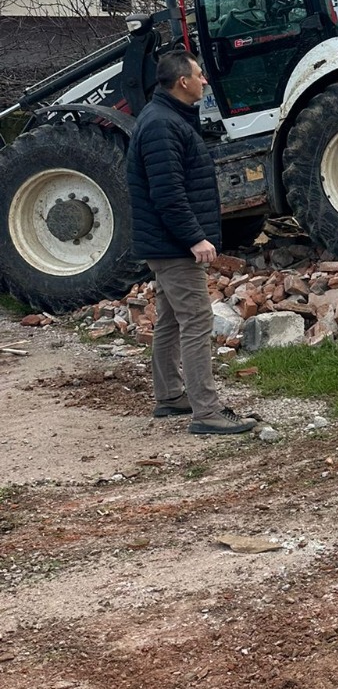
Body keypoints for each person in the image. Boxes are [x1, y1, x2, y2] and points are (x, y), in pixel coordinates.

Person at [126, 50, 256, 435]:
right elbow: (168, 193)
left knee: (169, 320)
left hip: (165, 245)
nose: (205, 81)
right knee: (197, 320)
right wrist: (195, 238)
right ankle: (207, 412)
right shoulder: (162, 126)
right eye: (199, 75)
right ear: (183, 81)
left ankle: (170, 396)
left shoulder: (168, 118)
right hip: (173, 247)